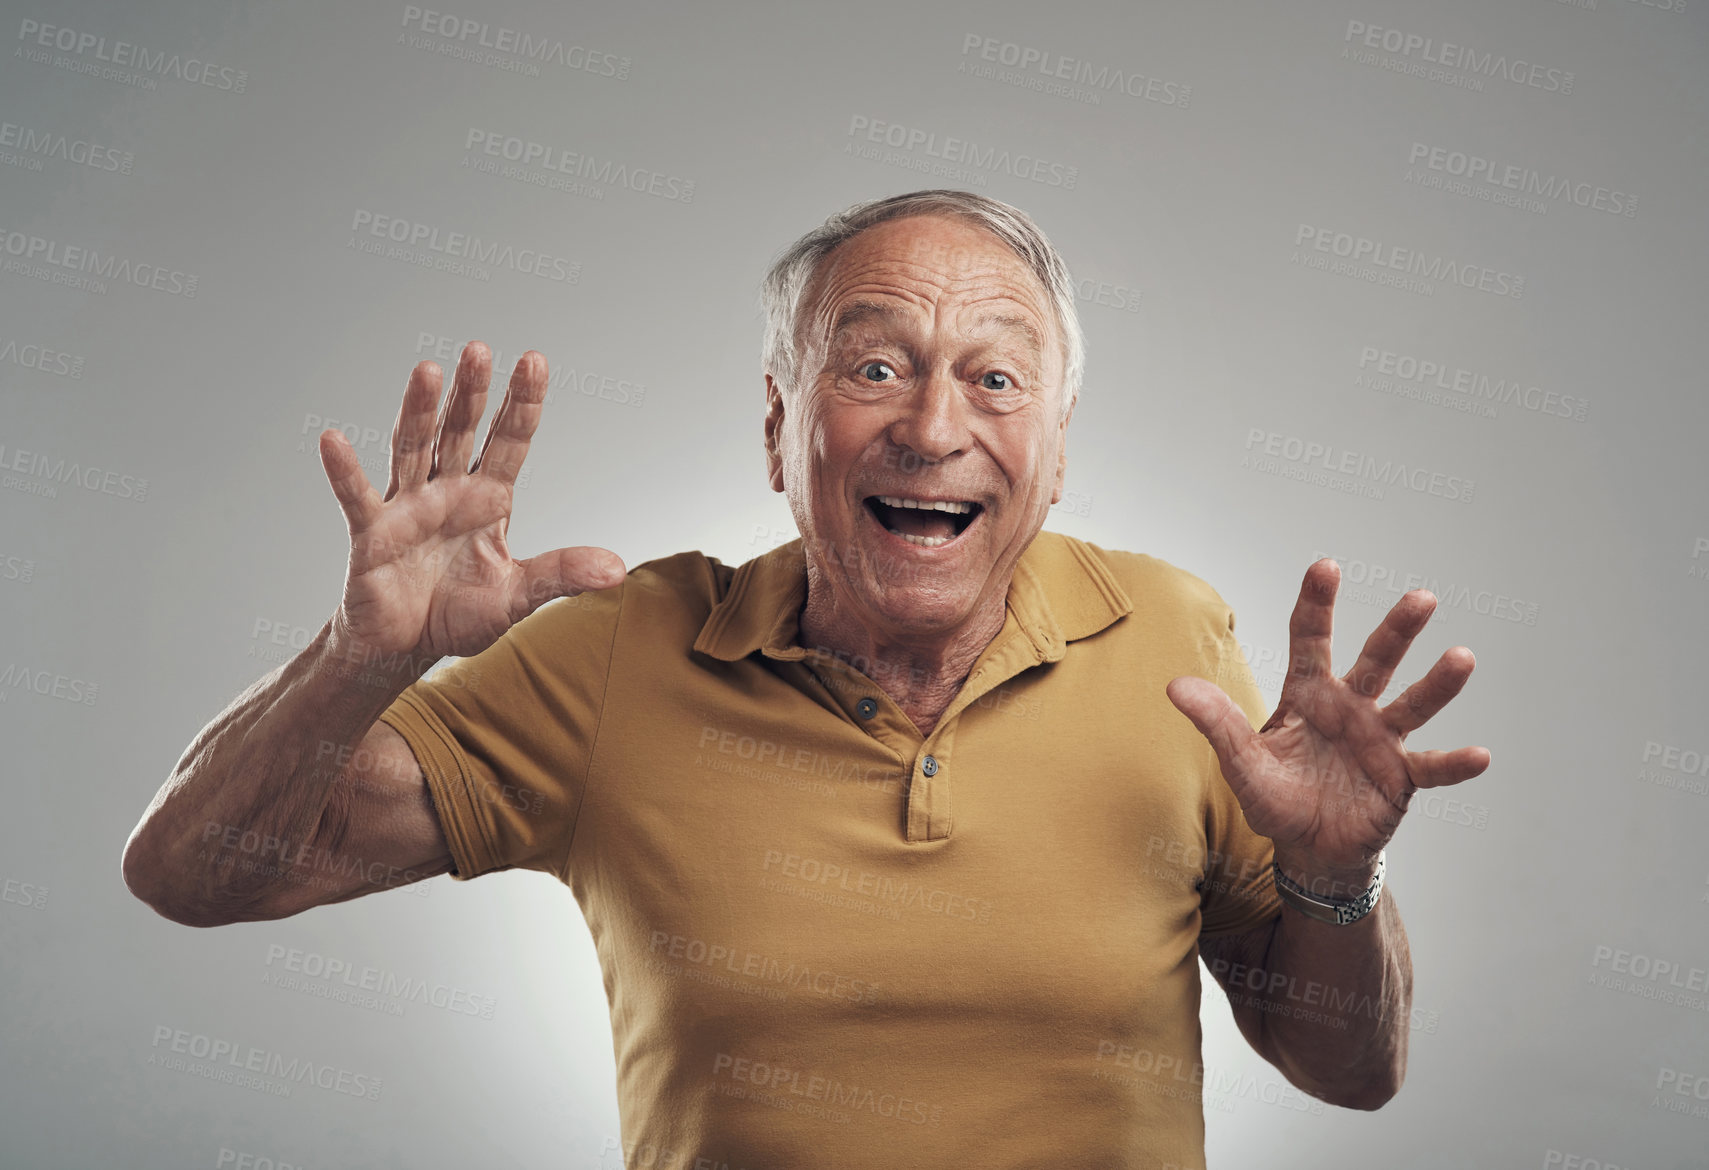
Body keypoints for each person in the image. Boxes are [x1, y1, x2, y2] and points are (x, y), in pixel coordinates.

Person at [122, 189, 1490, 1169]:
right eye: (873, 364)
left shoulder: (1171, 638)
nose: (932, 425)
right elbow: (197, 873)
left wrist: (1329, 877)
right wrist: (358, 663)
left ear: (1058, 449)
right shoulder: (618, 648)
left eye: (995, 379)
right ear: (780, 426)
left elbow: (1349, 1071)